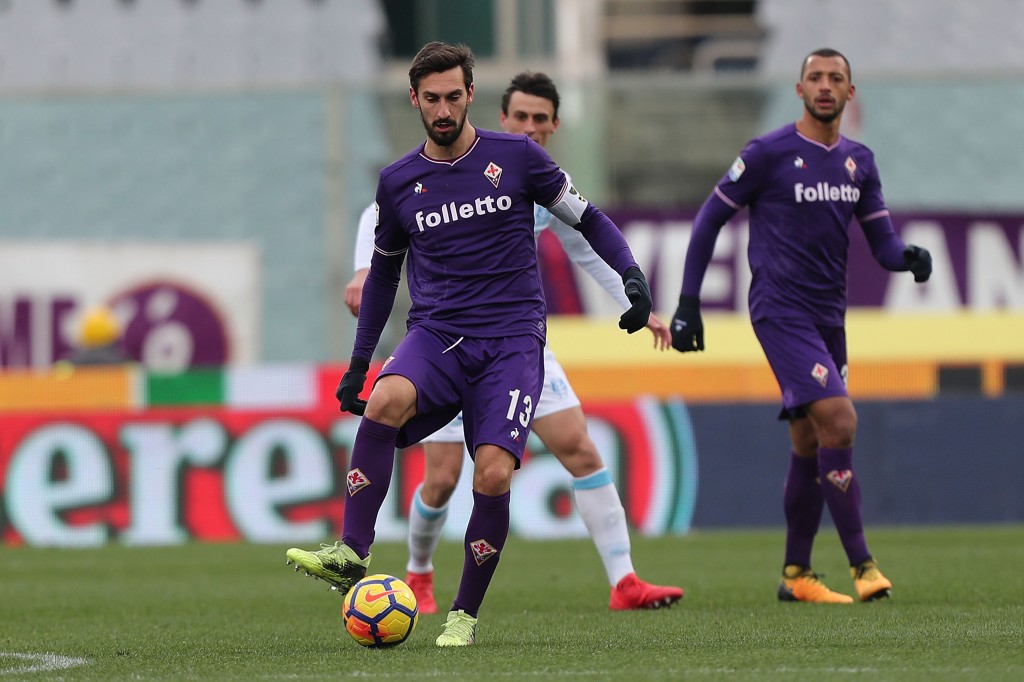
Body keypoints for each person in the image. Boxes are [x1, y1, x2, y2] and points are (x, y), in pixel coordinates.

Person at [286, 42, 655, 647]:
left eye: (453, 96)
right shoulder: (399, 181)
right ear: (414, 99)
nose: (443, 108)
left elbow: (587, 219)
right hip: (437, 334)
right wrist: (359, 363)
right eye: (431, 98)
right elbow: (382, 276)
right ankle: (352, 551)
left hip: (512, 341)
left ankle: (463, 614)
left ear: (469, 95)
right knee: (381, 403)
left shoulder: (516, 157)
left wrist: (631, 277)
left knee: (490, 474)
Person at [670, 47, 932, 604]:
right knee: (839, 420)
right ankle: (863, 566)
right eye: (815, 76)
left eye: (836, 78)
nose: (825, 85)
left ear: (850, 93)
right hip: (779, 311)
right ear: (799, 89)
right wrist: (688, 301)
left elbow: (880, 243)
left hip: (828, 319)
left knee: (810, 440)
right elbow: (710, 217)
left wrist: (907, 256)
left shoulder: (859, 161)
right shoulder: (768, 153)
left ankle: (796, 575)